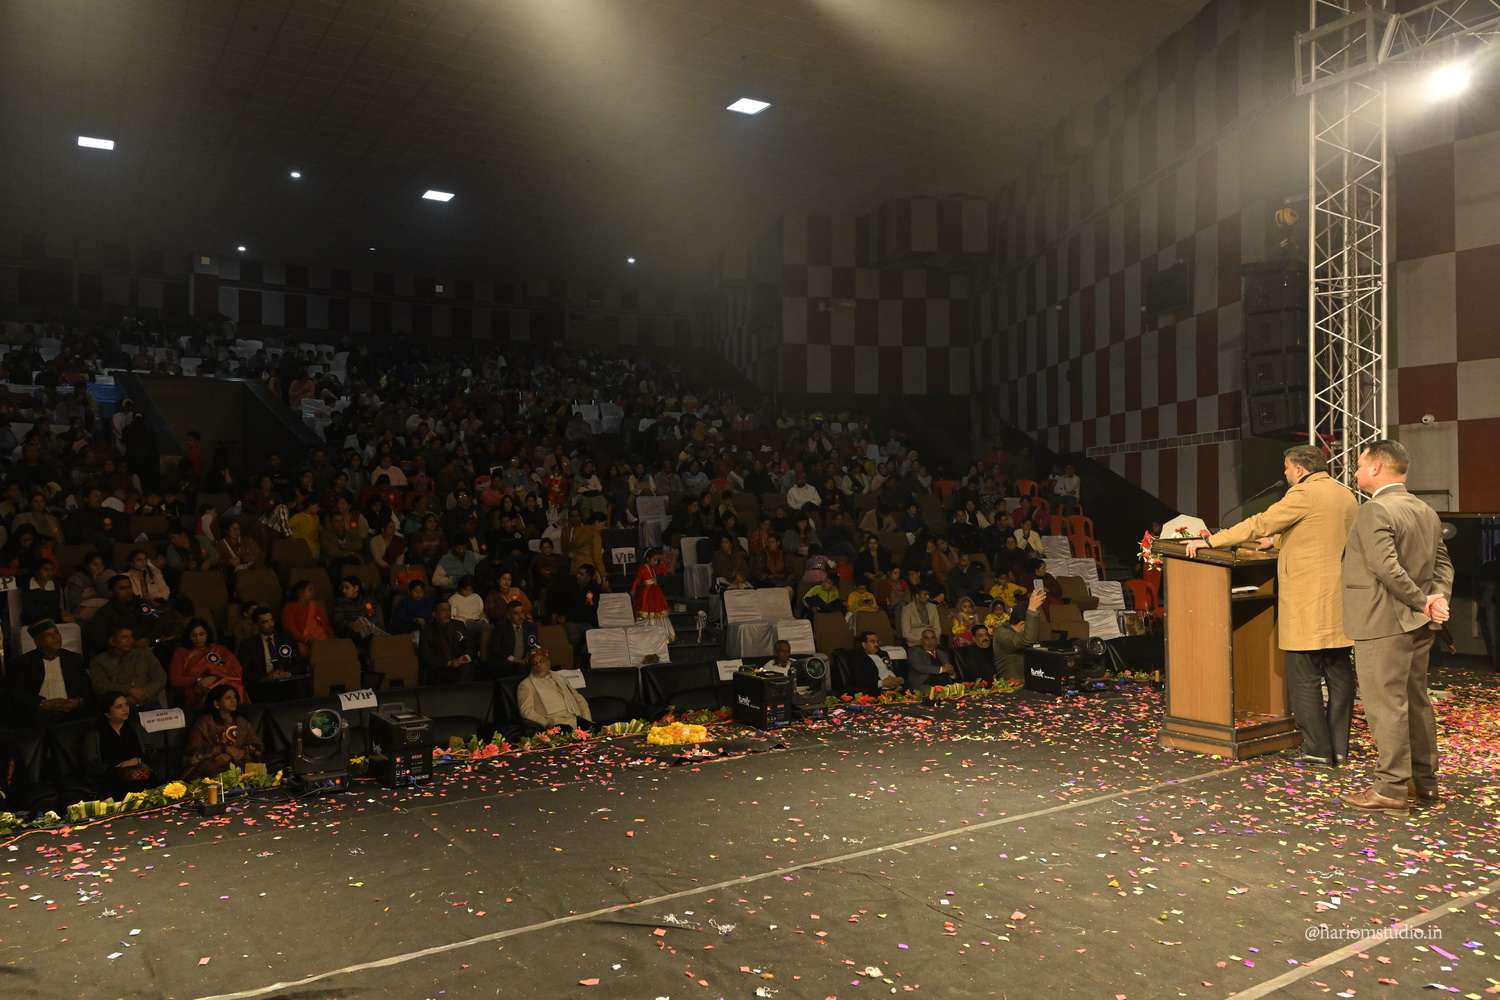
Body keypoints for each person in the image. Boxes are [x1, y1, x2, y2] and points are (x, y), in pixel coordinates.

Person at [1186, 445, 1359, 767]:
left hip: (1309, 600)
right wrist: (1277, 541)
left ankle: (1316, 749)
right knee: (1339, 674)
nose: (1285, 473)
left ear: (1299, 469)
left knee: (1304, 676)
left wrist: (1211, 541)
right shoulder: (1345, 494)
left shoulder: (1304, 493)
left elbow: (1261, 522)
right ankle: (1337, 748)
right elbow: (1321, 531)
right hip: (1338, 601)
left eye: (1286, 467)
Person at [1339, 440, 1453, 813]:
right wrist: (1436, 599)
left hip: (1383, 622)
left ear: (1376, 467)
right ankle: (1425, 782)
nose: (1356, 471)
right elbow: (1443, 565)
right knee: (1415, 701)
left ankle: (1390, 788)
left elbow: (1385, 568)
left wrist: (1424, 601)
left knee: (1386, 706)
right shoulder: (1425, 510)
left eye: (1360, 465)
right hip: (1417, 623)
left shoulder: (1375, 509)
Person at [5, 619, 91, 726]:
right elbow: (17, 693)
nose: (55, 638)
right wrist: (42, 704)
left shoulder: (73, 659)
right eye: (48, 635)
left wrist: (77, 701)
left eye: (56, 633)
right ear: (37, 641)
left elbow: (87, 688)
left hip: (72, 716)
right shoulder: (23, 663)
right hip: (38, 718)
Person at [183, 684, 264, 780]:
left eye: (234, 697)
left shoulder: (242, 722)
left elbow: (256, 747)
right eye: (228, 698)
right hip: (212, 766)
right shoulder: (204, 722)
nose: (234, 701)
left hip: (239, 765)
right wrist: (222, 749)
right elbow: (192, 753)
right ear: (216, 704)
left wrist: (240, 753)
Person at [82, 691, 154, 799]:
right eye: (119, 707)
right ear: (107, 713)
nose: (125, 709)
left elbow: (150, 751)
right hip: (111, 778)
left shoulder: (135, 728)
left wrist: (139, 761)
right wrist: (120, 766)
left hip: (139, 773)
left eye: (126, 705)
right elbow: (92, 765)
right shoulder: (95, 733)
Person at [169, 618, 248, 712]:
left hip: (223, 683)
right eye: (194, 635)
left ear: (207, 634)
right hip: (195, 690)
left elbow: (236, 669)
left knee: (235, 686)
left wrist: (215, 677)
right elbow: (175, 680)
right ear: (188, 636)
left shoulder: (219, 649)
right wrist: (198, 680)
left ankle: (236, 715)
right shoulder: (181, 653)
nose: (198, 638)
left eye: (201, 634)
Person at [88, 625, 168, 707]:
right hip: (118, 706)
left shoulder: (144, 654)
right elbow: (100, 686)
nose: (130, 640)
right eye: (124, 637)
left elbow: (161, 677)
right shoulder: (99, 661)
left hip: (148, 702)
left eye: (131, 637)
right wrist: (128, 691)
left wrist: (145, 693)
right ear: (112, 641)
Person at [235, 605, 307, 694]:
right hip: (263, 685)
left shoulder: (285, 638)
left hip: (287, 681)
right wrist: (265, 677)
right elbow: (244, 672)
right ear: (257, 624)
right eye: (265, 622)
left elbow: (299, 662)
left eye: (271, 620)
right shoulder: (248, 645)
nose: (271, 624)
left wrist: (288, 673)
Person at [517, 648, 591, 729]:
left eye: (541, 661)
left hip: (577, 719)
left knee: (597, 730)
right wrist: (547, 723)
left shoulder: (560, 677)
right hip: (557, 723)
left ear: (548, 662)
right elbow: (527, 711)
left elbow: (579, 698)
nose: (538, 665)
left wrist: (587, 720)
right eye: (534, 663)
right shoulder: (526, 685)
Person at [991, 588, 1046, 683]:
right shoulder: (1001, 632)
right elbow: (1027, 641)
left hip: (1028, 682)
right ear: (1022, 624)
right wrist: (1032, 610)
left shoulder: (1019, 633)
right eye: (1031, 624)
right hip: (1011, 686)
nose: (1033, 629)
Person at [418, 599, 475, 683]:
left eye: (449, 610)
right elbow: (426, 657)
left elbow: (469, 646)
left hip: (459, 665)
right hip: (440, 668)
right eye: (443, 610)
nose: (447, 613)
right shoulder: (427, 630)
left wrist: (462, 660)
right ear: (434, 614)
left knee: (467, 667)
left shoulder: (459, 625)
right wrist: (449, 663)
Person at [282, 579, 334, 656]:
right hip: (302, 640)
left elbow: (325, 623)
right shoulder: (289, 607)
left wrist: (330, 635)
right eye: (310, 590)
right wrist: (306, 640)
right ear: (300, 592)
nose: (313, 593)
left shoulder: (315, 605)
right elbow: (290, 629)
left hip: (320, 638)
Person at [491, 601, 539, 674]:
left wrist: (529, 655)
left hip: (525, 663)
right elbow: (496, 650)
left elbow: (535, 645)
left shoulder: (530, 627)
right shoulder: (500, 628)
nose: (521, 616)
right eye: (516, 613)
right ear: (508, 615)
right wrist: (515, 660)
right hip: (506, 664)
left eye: (522, 612)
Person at [906, 627, 954, 691]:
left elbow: (950, 671)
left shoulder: (942, 653)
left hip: (945, 685)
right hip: (924, 685)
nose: (930, 641)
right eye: (926, 638)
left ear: (936, 640)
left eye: (933, 638)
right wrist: (942, 669)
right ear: (921, 640)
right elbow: (920, 667)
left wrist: (951, 673)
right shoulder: (914, 651)